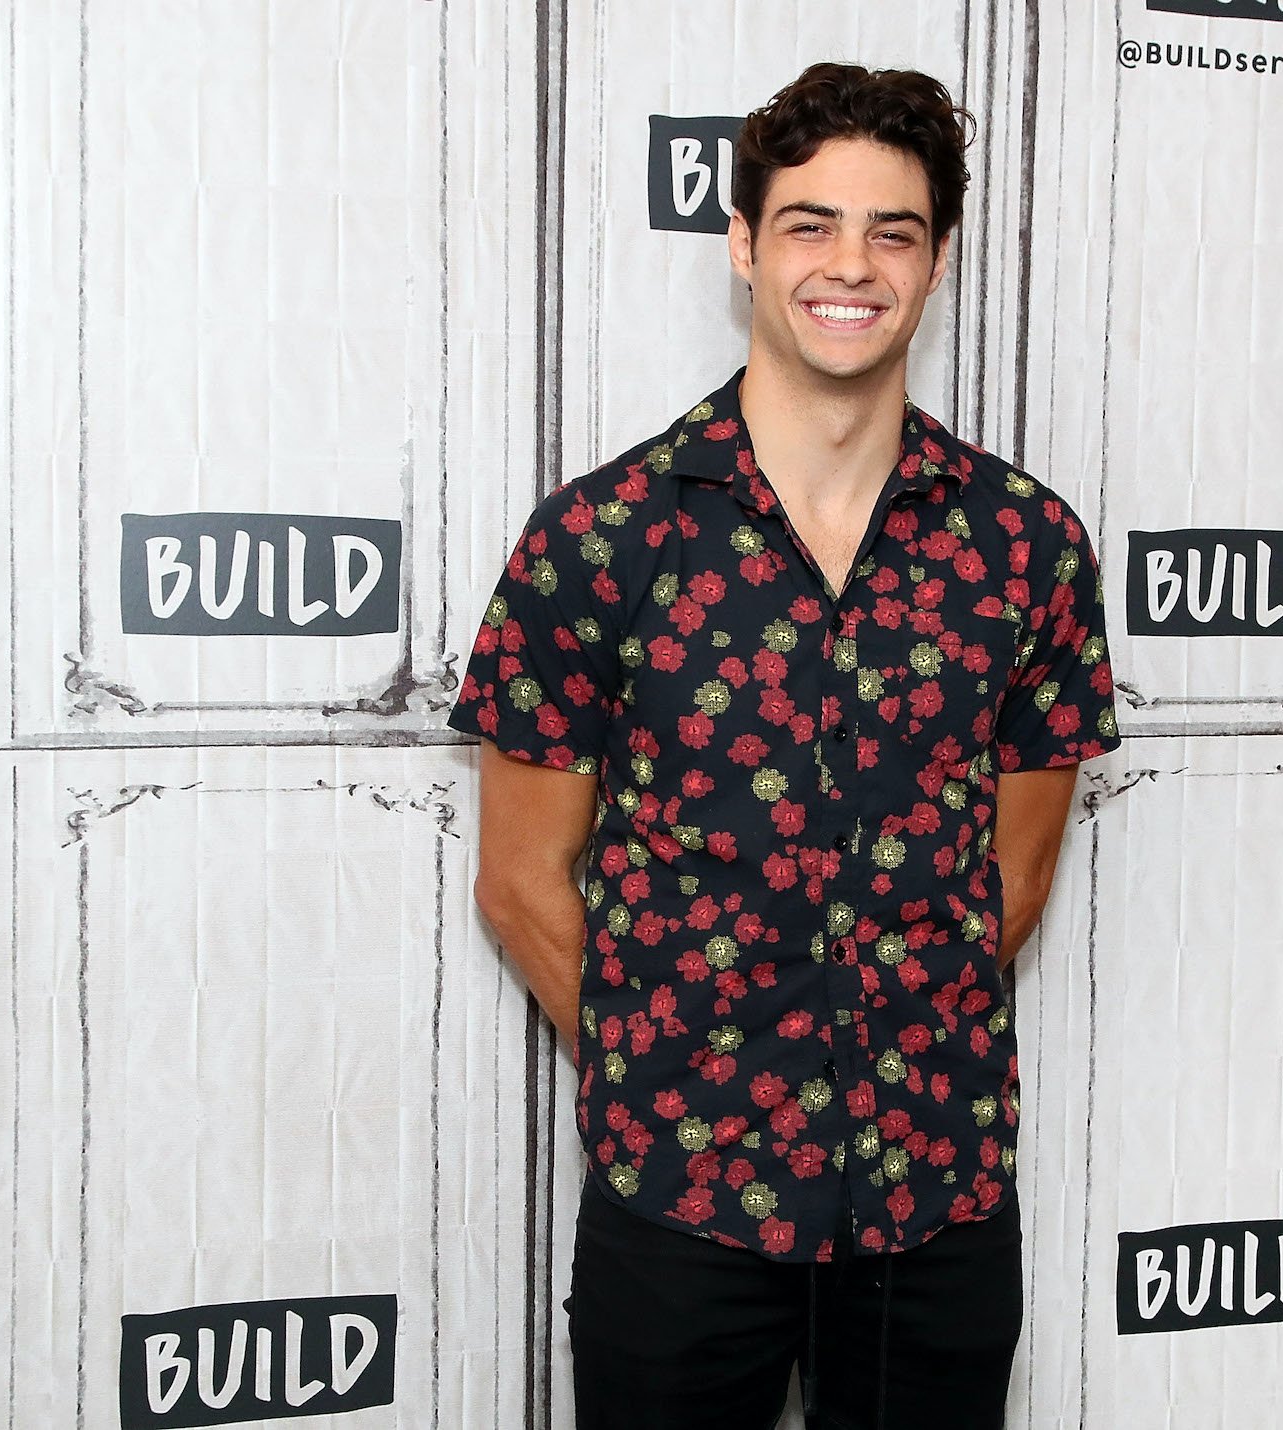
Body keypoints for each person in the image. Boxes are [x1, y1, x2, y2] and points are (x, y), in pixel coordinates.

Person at [447, 60, 1120, 1430]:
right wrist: (689, 1078)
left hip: (937, 1206)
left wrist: (863, 1062)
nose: (850, 265)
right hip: (681, 1211)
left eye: (895, 230)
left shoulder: (1027, 546)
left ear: (937, 263)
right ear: (745, 243)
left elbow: (1016, 878)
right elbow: (521, 883)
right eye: (809, 223)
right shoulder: (599, 538)